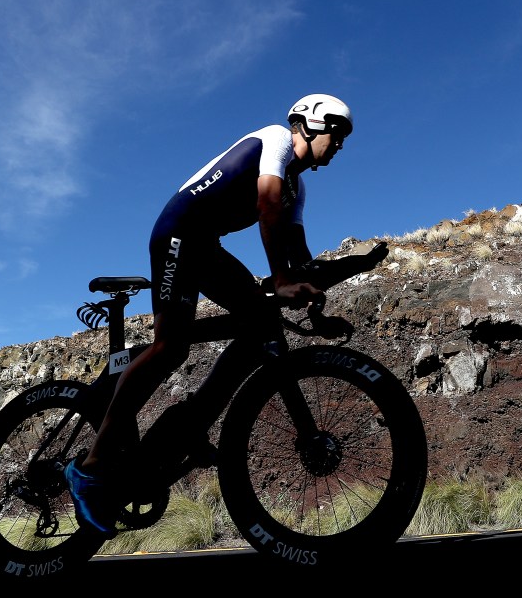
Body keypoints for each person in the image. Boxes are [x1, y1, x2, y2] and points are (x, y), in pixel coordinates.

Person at [66, 93, 357, 534]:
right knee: (170, 348)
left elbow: (300, 259)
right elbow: (266, 205)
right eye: (337, 133)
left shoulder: (299, 188)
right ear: (311, 124)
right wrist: (279, 278)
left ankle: (189, 423)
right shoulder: (276, 141)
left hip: (205, 247)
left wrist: (317, 303)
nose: (339, 145)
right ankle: (89, 467)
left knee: (261, 321)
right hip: (178, 236)